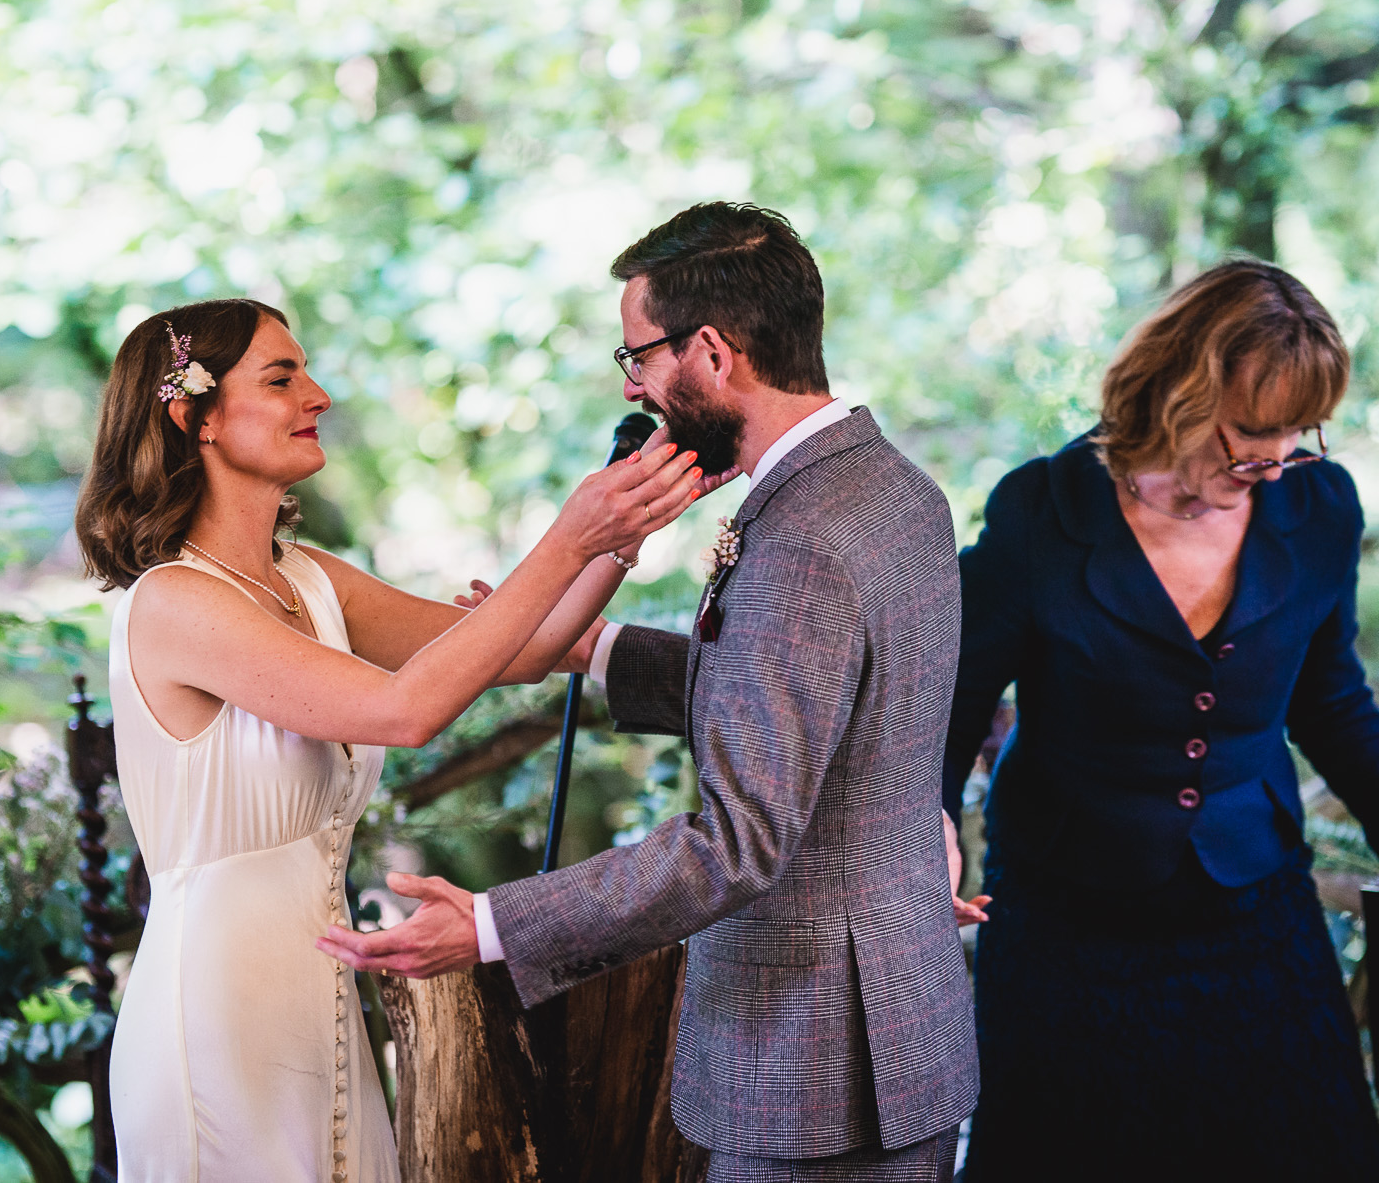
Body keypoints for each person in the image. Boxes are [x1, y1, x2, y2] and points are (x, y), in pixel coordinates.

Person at [320, 203, 980, 1183]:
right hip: (895, 1033)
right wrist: (594, 645)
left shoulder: (797, 539)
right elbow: (810, 694)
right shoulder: (890, 488)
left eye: (638, 356)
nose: (632, 387)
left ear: (711, 350)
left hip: (812, 1067)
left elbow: (736, 840)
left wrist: (494, 923)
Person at [73, 298, 703, 1183]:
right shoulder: (174, 601)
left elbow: (524, 652)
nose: (318, 394)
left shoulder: (307, 575)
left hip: (323, 990)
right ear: (195, 416)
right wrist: (570, 533)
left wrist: (619, 535)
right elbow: (407, 710)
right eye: (282, 377)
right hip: (212, 1011)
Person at [942, 258, 1379, 1180]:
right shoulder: (1042, 511)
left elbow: (1332, 698)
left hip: (1255, 913)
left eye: (1299, 435)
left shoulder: (1319, 508)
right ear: (1179, 388)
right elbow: (955, 695)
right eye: (1254, 432)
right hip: (1066, 922)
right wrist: (929, 825)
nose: (1277, 461)